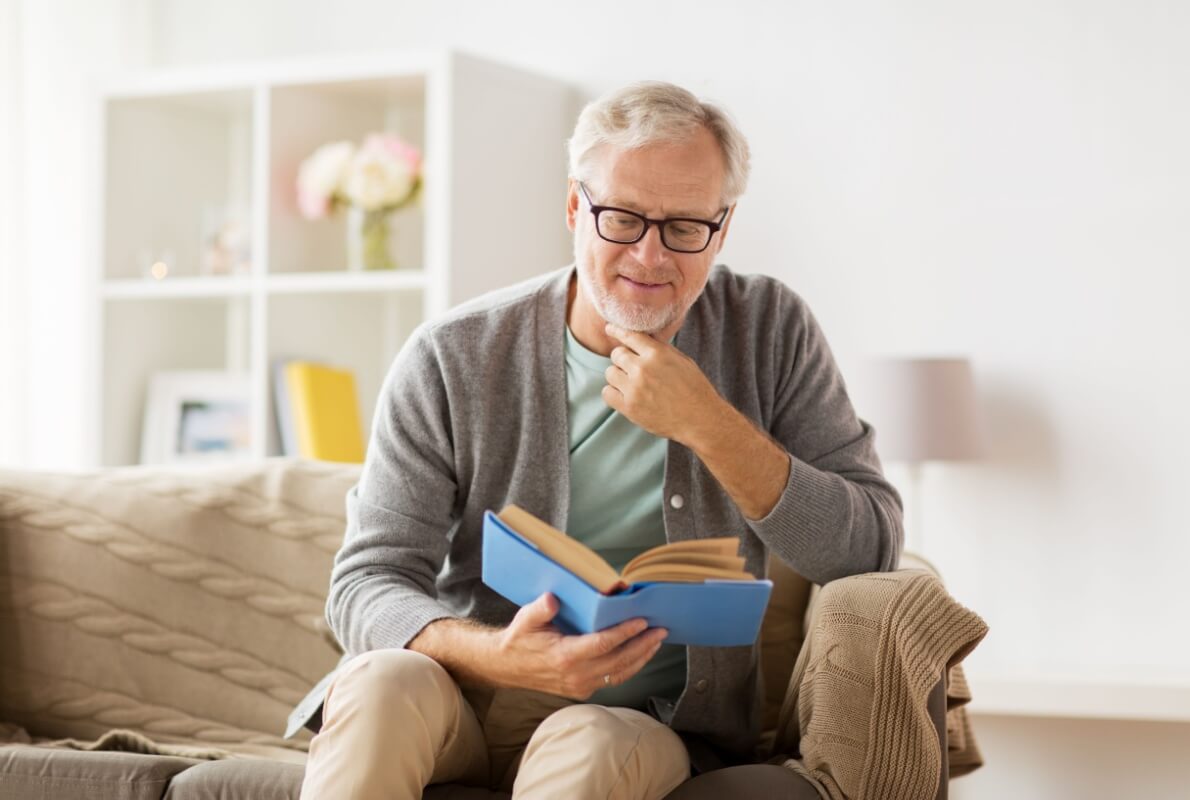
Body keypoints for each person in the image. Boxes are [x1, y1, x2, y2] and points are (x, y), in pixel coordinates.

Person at [295, 80, 904, 800]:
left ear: (724, 226)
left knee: (588, 738)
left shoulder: (770, 332)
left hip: (643, 723)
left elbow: (868, 548)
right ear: (574, 207)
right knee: (378, 679)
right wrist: (501, 656)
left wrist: (707, 422)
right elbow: (365, 583)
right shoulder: (450, 355)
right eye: (620, 218)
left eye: (684, 227)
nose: (649, 257)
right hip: (464, 699)